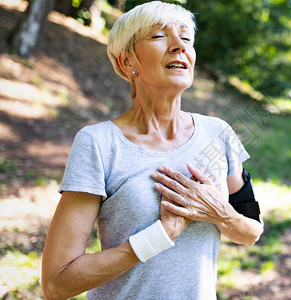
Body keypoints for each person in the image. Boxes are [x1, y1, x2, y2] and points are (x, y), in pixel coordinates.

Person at [41, 1, 264, 299]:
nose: (178, 46)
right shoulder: (99, 143)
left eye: (186, 38)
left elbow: (252, 232)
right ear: (126, 62)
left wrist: (222, 214)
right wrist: (159, 236)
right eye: (159, 36)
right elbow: (57, 282)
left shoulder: (218, 134)